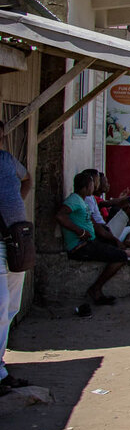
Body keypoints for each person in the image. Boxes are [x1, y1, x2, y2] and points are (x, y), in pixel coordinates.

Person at [56, 172, 130, 308]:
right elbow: (60, 216)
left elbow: (95, 226)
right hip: (80, 246)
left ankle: (125, 250)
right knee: (120, 257)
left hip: (90, 242)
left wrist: (115, 240)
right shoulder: (73, 199)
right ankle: (96, 289)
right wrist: (79, 231)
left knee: (117, 248)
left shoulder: (83, 202)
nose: (94, 186)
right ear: (86, 187)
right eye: (92, 184)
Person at [0, 121, 32, 394]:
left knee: (10, 307)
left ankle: (0, 366)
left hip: (15, 242)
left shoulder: (7, 159)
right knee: (0, 306)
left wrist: (18, 203)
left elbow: (27, 178)